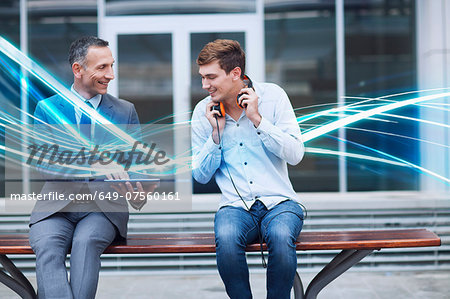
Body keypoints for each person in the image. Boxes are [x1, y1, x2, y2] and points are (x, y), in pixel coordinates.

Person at [29, 36, 154, 299]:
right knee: (48, 247)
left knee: (86, 244)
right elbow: (46, 166)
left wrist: (138, 188)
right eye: (102, 67)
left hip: (103, 210)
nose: (111, 74)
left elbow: (139, 166)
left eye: (111, 65)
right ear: (78, 69)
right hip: (55, 209)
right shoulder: (47, 109)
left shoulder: (124, 111)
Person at [191, 39, 305, 299]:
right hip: (234, 205)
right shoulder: (202, 113)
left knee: (280, 235)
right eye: (202, 77)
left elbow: (296, 155)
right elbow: (200, 174)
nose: (204, 85)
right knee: (227, 240)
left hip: (280, 202)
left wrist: (257, 119)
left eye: (211, 77)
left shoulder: (273, 97)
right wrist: (215, 136)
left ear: (235, 74)